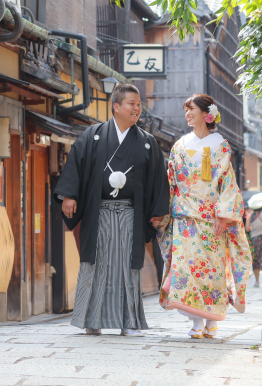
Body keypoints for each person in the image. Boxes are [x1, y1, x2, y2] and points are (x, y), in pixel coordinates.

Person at [54, 83, 170, 336]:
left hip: (131, 213)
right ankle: (91, 319)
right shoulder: (93, 135)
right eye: (132, 104)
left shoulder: (147, 142)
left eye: (139, 105)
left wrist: (157, 211)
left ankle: (128, 322)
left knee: (128, 267)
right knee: (96, 264)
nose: (137, 109)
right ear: (116, 106)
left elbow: (158, 179)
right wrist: (69, 195)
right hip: (99, 212)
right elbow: (75, 164)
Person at [156, 94, 252, 339]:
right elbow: (171, 182)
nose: (187, 114)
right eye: (186, 110)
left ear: (207, 114)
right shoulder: (179, 145)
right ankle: (197, 322)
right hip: (184, 218)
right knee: (187, 270)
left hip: (212, 219)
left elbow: (227, 183)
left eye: (192, 109)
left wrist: (223, 215)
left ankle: (211, 321)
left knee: (211, 270)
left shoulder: (220, 145)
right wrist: (162, 211)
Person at [245, 207, 262, 287]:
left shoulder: (251, 215)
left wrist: (253, 228)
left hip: (255, 240)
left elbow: (247, 228)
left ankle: (257, 281)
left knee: (255, 260)